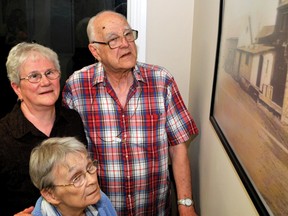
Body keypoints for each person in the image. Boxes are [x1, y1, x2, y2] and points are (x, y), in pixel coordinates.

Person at [62, 10, 199, 216]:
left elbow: (178, 147)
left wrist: (185, 205)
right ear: (95, 51)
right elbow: (67, 157)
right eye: (113, 40)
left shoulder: (161, 81)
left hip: (154, 209)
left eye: (128, 35)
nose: (125, 44)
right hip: (100, 211)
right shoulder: (77, 86)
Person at [0, 42, 87, 216]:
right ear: (17, 88)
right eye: (34, 76)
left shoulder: (73, 121)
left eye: (50, 73)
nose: (45, 82)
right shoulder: (3, 135)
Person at [26, 136, 116, 216]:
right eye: (76, 178)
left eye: (89, 167)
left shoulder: (101, 201)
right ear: (50, 195)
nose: (92, 180)